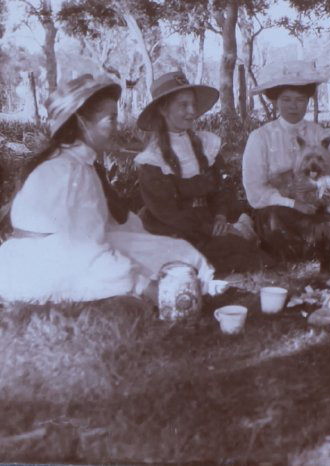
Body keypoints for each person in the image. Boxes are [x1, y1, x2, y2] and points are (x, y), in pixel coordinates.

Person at [0, 74, 214, 302]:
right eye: (110, 119)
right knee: (155, 271)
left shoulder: (77, 163)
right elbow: (86, 250)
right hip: (44, 267)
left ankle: (199, 285)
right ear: (82, 122)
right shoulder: (69, 171)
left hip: (68, 252)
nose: (117, 126)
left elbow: (111, 226)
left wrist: (154, 243)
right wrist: (143, 285)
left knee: (177, 252)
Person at [135, 71, 272, 274]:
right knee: (237, 258)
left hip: (210, 225)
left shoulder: (206, 144)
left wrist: (220, 217)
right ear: (163, 109)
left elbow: (222, 188)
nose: (191, 111)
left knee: (258, 258)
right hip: (174, 233)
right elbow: (168, 214)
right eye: (183, 105)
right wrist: (211, 229)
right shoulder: (152, 159)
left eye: (193, 104)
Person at [242, 64, 330, 261]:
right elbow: (255, 191)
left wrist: (327, 183)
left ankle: (326, 258)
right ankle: (300, 260)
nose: (293, 106)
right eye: (286, 99)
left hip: (321, 208)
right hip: (280, 211)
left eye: (300, 100)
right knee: (274, 219)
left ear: (308, 100)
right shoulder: (261, 137)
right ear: (275, 101)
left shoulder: (323, 134)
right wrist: (292, 203)